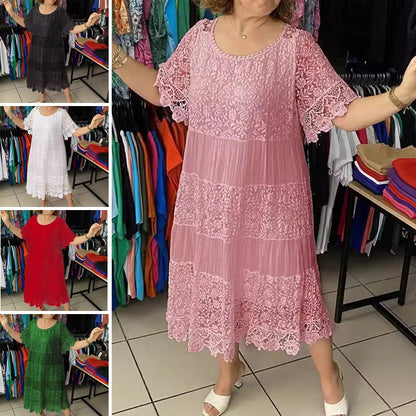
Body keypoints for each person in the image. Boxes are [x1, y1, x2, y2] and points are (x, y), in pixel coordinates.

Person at [112, 0, 416, 415]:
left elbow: (344, 112)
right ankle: (228, 369)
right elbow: (163, 89)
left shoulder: (296, 46)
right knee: (222, 280)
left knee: (298, 285)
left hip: (274, 201)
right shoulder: (200, 38)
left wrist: (401, 96)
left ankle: (330, 376)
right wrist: (117, 57)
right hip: (211, 199)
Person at [0, 314, 104, 416]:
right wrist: (6, 326)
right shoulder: (32, 324)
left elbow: (72, 345)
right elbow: (23, 339)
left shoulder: (59, 327)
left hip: (53, 368)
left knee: (60, 394)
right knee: (38, 393)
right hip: (35, 367)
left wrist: (89, 340)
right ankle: (40, 414)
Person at [0, 210, 103, 311]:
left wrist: (88, 235)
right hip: (35, 261)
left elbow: (72, 240)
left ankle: (67, 309)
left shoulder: (59, 222)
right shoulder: (33, 220)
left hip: (53, 262)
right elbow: (23, 234)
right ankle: (41, 309)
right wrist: (7, 222)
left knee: (59, 286)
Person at [4, 106, 104, 207]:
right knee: (41, 177)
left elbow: (75, 131)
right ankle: (43, 202)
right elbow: (25, 125)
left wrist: (90, 126)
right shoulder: (35, 111)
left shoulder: (61, 114)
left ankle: (71, 203)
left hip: (55, 155)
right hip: (38, 154)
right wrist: (11, 115)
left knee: (62, 178)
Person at [3, 0, 100, 102]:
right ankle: (42, 95)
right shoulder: (36, 9)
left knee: (60, 74)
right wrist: (11, 12)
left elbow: (71, 29)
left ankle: (68, 96)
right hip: (37, 49)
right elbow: (25, 23)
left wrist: (87, 24)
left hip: (54, 50)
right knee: (40, 73)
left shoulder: (59, 12)